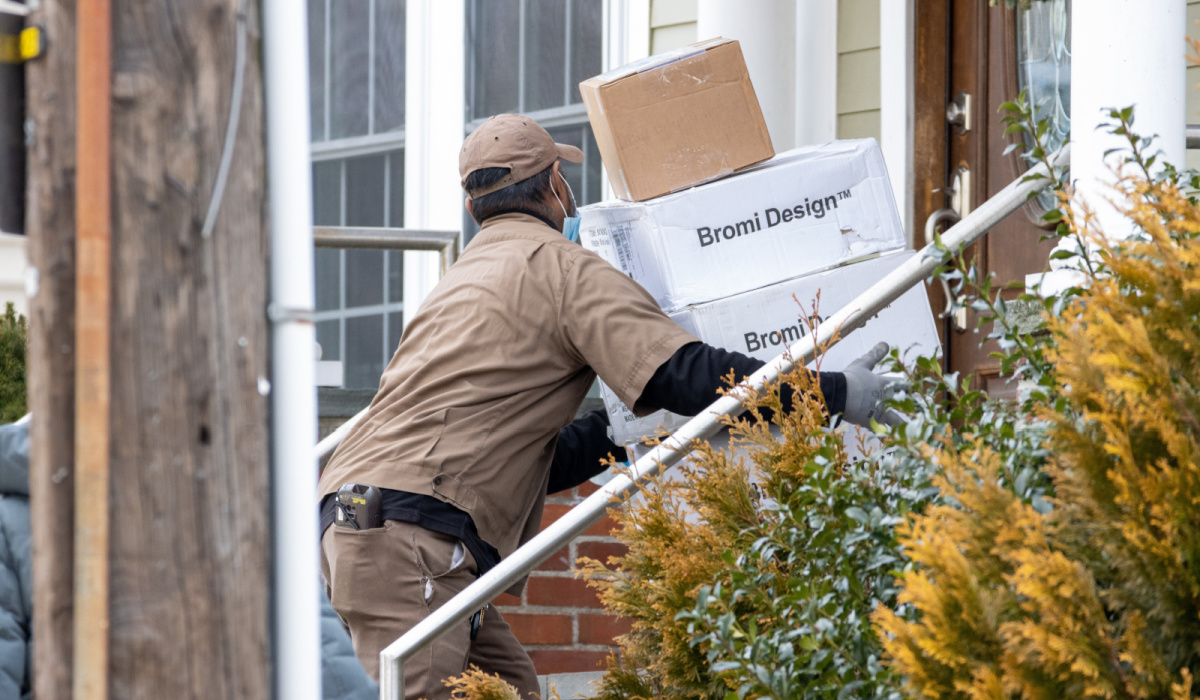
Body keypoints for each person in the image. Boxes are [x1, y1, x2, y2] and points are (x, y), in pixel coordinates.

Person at [316, 114, 905, 700]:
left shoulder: (458, 282)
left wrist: (623, 430)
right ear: (554, 185)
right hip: (414, 538)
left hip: (372, 519)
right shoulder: (561, 267)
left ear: (474, 210)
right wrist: (834, 393)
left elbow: (525, 457)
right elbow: (685, 373)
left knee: (509, 688)